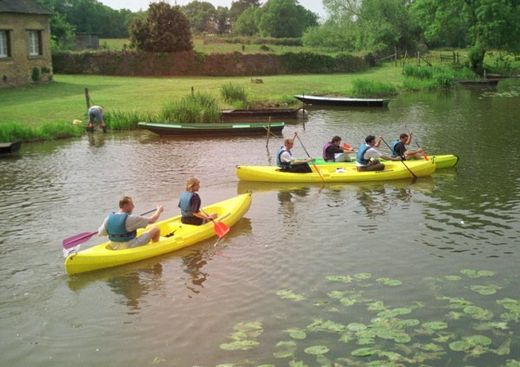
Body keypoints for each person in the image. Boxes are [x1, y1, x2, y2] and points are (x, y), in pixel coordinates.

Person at [98, 196, 164, 250]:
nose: (133, 206)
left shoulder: (108, 218)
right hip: (129, 246)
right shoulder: (131, 218)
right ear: (126, 206)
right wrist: (159, 210)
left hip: (114, 246)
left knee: (140, 231)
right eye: (132, 204)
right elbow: (152, 220)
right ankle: (155, 248)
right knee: (156, 229)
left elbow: (101, 233)